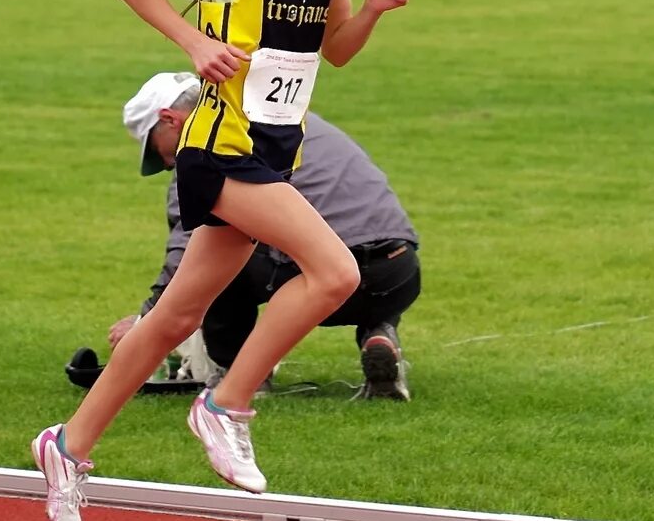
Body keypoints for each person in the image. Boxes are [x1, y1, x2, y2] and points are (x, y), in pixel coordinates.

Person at [31, 0, 411, 521]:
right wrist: (195, 43)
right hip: (219, 146)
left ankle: (66, 447)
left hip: (276, 147)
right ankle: (226, 405)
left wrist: (369, 9)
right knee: (335, 272)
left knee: (175, 316)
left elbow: (331, 50)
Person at [98, 75, 419, 400]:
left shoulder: (207, 153)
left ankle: (242, 377)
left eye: (158, 151)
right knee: (366, 253)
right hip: (399, 272)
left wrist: (145, 322)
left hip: (325, 278)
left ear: (170, 119)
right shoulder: (285, 118)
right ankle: (379, 335)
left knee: (216, 263)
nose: (168, 163)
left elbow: (186, 257)